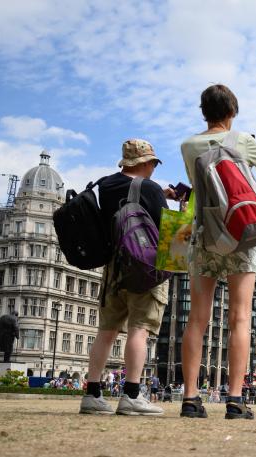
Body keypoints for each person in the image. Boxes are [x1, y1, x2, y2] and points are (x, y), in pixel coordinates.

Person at [178, 84, 256, 420]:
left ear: (203, 112)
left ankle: (191, 399)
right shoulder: (242, 141)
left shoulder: (189, 146)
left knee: (197, 319)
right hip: (240, 235)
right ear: (232, 113)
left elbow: (200, 188)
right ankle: (235, 400)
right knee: (239, 317)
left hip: (206, 234)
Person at [79, 139, 172, 416]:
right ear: (144, 163)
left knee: (105, 332)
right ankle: (131, 394)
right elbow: (165, 230)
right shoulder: (150, 188)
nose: (154, 168)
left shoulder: (104, 186)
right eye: (153, 163)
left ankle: (92, 394)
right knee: (140, 329)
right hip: (144, 268)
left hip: (112, 269)